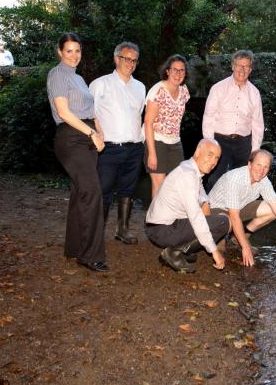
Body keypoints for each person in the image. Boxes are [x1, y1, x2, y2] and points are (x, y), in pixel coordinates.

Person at [46, 32, 109, 272]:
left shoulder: (79, 79)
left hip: (87, 137)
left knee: (80, 192)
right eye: (69, 51)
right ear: (60, 52)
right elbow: (64, 112)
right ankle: (90, 255)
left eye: (78, 50)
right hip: (71, 137)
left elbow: (92, 112)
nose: (74, 55)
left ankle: (74, 247)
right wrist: (91, 133)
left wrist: (99, 133)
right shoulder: (58, 74)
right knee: (92, 192)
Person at [209, 149, 276, 267]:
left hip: (237, 208)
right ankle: (220, 240)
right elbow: (234, 217)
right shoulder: (235, 178)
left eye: (265, 167)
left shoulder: (264, 180)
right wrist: (246, 247)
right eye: (258, 165)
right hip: (215, 212)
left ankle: (237, 240)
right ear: (249, 164)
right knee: (227, 226)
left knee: (272, 210)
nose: (261, 170)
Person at [89, 42, 146, 246]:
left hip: (134, 148)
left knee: (128, 190)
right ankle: (97, 233)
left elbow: (140, 115)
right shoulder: (100, 84)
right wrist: (97, 136)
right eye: (126, 58)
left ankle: (122, 229)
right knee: (103, 190)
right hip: (108, 147)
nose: (130, 63)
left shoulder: (140, 87)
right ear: (116, 58)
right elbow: (89, 113)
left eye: (134, 60)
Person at [145, 138, 228, 273]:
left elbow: (199, 187)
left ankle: (182, 248)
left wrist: (204, 201)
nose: (213, 162)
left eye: (217, 158)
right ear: (197, 151)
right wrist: (214, 252)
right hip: (162, 230)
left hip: (158, 226)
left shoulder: (189, 167)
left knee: (213, 218)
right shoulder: (187, 175)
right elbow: (196, 217)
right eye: (210, 155)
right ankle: (174, 252)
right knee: (224, 221)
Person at [202, 49, 264, 191]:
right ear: (233, 66)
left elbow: (258, 123)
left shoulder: (254, 93)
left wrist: (254, 151)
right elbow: (208, 117)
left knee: (242, 180)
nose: (242, 69)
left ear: (250, 69)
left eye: (246, 66)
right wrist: (210, 143)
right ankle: (210, 210)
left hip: (244, 143)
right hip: (220, 140)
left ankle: (237, 211)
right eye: (239, 65)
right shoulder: (218, 88)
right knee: (215, 179)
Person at [143, 55, 191, 200]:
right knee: (159, 184)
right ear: (168, 71)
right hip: (156, 141)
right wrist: (152, 153)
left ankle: (170, 220)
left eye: (181, 70)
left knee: (178, 183)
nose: (178, 74)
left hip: (175, 142)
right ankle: (155, 222)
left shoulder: (184, 91)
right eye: (174, 70)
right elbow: (148, 122)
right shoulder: (158, 91)